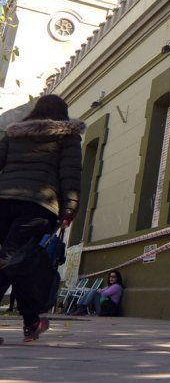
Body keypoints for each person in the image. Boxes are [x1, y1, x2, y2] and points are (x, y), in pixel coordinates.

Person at [0, 94, 83, 342]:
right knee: (10, 262)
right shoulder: (67, 136)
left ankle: (32, 323)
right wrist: (69, 211)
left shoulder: (14, 134)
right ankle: (31, 322)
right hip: (37, 206)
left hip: (3, 204)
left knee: (20, 265)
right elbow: (70, 175)